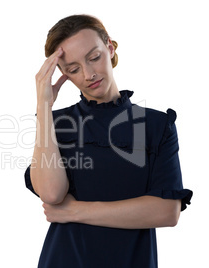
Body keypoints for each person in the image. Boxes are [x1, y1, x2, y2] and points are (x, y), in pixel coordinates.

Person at [24, 14, 193, 268]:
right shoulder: (56, 124)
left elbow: (167, 212)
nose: (89, 74)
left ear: (109, 47)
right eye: (73, 69)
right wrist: (44, 104)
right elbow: (51, 193)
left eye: (94, 57)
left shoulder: (156, 126)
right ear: (63, 74)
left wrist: (74, 211)